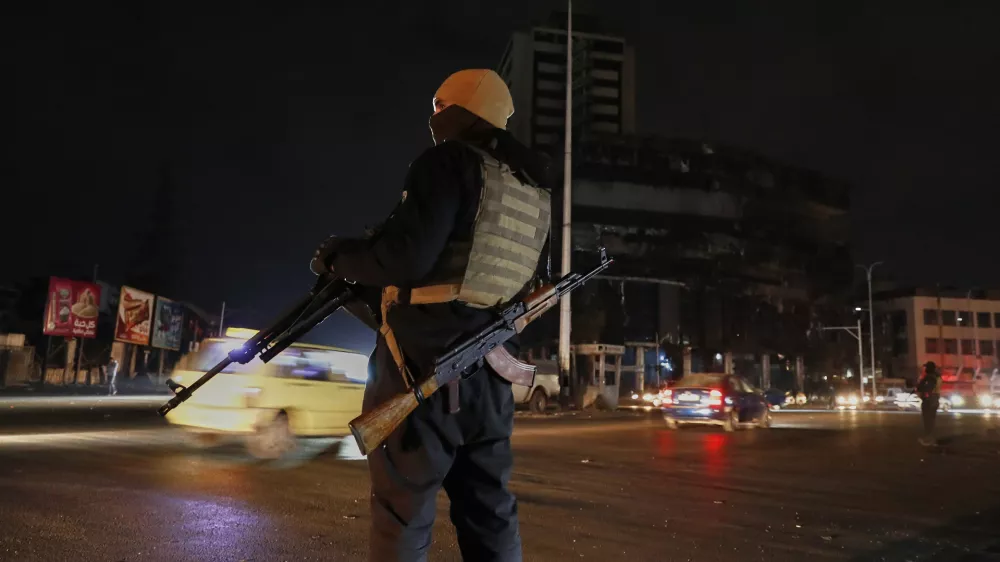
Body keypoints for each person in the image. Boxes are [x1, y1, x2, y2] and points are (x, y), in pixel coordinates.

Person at [312, 69, 552, 562]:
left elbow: (404, 259)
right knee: (490, 515)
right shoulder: (533, 191)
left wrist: (340, 259)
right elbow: (521, 285)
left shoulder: (449, 162)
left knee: (402, 517)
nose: (434, 118)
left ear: (460, 109)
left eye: (440, 107)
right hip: (492, 375)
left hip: (421, 370)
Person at [916, 361, 942, 445]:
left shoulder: (930, 377)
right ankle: (931, 439)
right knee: (931, 420)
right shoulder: (937, 377)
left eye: (926, 367)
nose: (925, 369)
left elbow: (926, 388)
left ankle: (928, 439)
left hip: (929, 400)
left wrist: (922, 390)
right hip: (934, 399)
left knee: (928, 421)